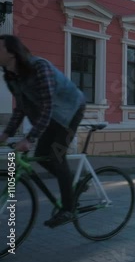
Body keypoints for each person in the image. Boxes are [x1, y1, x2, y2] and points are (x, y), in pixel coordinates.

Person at [0, 35, 86, 228]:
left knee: (56, 157)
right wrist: (5, 135)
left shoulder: (39, 67)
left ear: (12, 53)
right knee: (42, 155)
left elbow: (47, 105)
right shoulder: (11, 76)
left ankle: (68, 209)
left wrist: (30, 138)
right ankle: (76, 184)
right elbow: (21, 108)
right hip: (51, 116)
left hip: (70, 110)